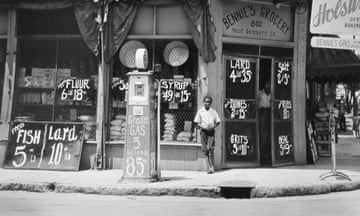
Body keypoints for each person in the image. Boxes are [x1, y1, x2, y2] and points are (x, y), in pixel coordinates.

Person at [194, 95, 221, 174]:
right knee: (205, 150)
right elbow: (196, 122)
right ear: (203, 102)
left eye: (209, 102)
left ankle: (211, 167)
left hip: (211, 131)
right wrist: (200, 127)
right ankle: (209, 167)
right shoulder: (200, 111)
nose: (207, 103)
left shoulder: (213, 112)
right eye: (206, 102)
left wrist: (213, 126)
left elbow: (218, 122)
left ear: (211, 103)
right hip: (203, 131)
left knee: (210, 148)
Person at [258, 81, 271, 164]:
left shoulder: (271, 93)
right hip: (262, 111)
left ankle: (267, 153)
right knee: (263, 132)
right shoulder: (260, 93)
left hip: (269, 112)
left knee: (269, 132)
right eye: (267, 84)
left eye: (269, 84)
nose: (268, 85)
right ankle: (260, 154)